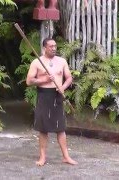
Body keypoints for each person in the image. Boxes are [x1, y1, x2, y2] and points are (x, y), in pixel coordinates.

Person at [26, 37, 78, 166]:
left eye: (55, 46)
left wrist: (63, 87)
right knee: (43, 129)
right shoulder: (37, 62)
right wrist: (44, 80)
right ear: (44, 48)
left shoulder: (62, 61)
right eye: (51, 46)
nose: (54, 48)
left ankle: (66, 156)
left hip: (57, 95)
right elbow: (29, 81)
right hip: (44, 95)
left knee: (61, 128)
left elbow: (69, 77)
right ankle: (42, 157)